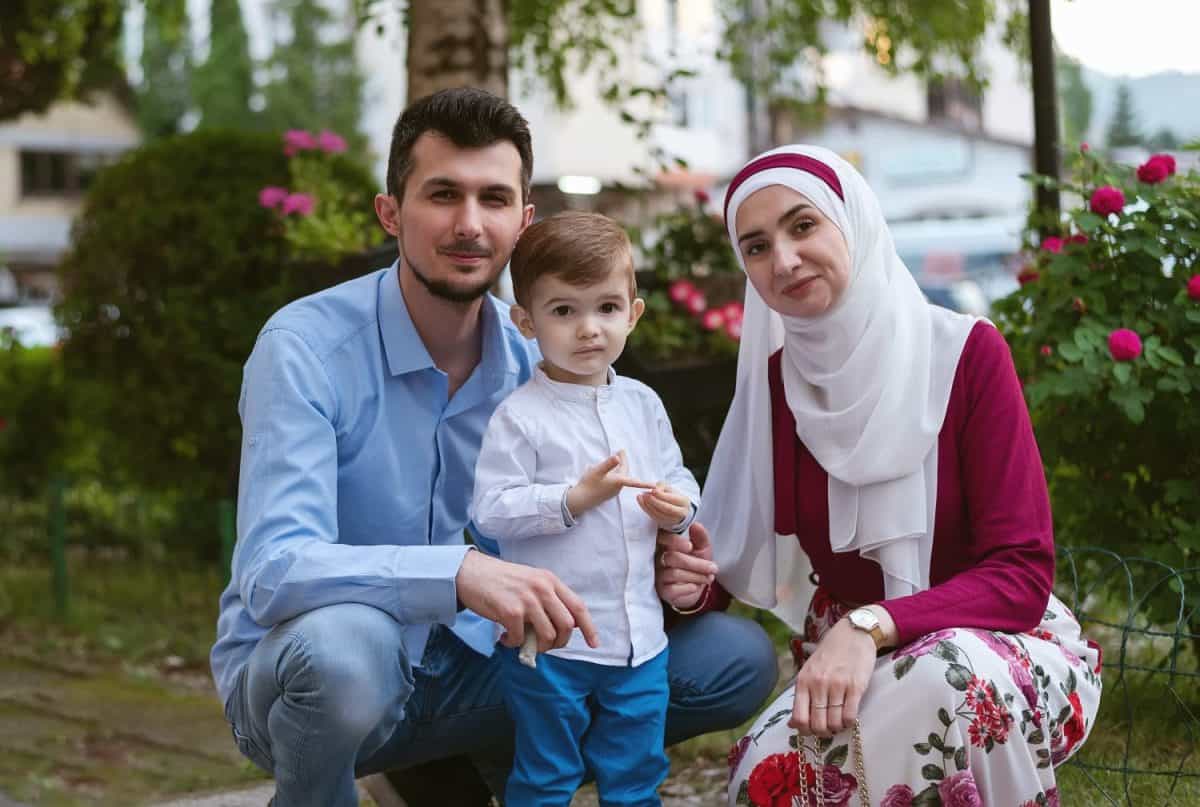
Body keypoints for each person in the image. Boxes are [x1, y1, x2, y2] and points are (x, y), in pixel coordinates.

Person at [209, 87, 779, 807]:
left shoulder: (540, 363)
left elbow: (567, 523)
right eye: (443, 194)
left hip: (485, 661)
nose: (469, 224)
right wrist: (457, 572)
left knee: (731, 660)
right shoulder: (305, 348)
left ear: (523, 223)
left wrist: (665, 552)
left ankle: (469, 770)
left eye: (494, 199)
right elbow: (273, 568)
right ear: (391, 211)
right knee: (346, 655)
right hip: (323, 679)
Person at [656, 145, 1103, 806]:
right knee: (765, 771)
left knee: (944, 684)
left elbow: (1021, 573)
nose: (782, 259)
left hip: (1002, 646)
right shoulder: (781, 385)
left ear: (853, 220)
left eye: (803, 225)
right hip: (851, 669)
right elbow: (726, 561)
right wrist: (687, 584)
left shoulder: (967, 354)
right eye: (755, 246)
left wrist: (871, 623)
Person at [471, 212, 701, 806]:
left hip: (637, 638)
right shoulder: (519, 416)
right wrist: (572, 500)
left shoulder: (643, 404)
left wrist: (678, 507)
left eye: (606, 307)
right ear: (526, 322)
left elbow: (675, 473)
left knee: (637, 770)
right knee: (547, 773)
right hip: (552, 643)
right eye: (563, 311)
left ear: (634, 312)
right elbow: (491, 511)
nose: (589, 329)